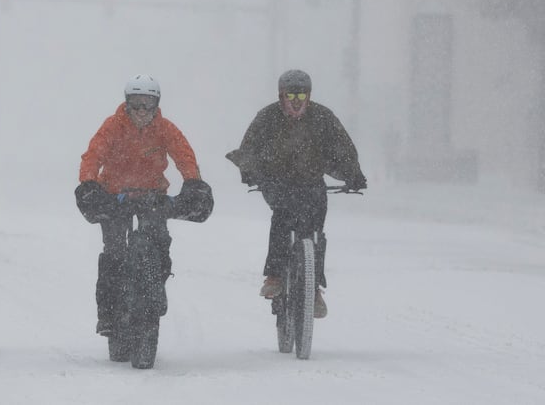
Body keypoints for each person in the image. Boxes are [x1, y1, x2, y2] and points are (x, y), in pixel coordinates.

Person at [75, 74, 213, 336]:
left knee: (160, 242)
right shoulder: (113, 126)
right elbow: (92, 156)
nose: (141, 111)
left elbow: (184, 154)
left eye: (147, 104)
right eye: (136, 104)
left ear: (156, 105)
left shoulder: (165, 128)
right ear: (127, 104)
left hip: (152, 196)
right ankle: (108, 313)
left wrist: (193, 181)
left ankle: (154, 288)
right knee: (113, 252)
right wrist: (89, 183)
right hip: (115, 196)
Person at [226, 69, 366, 318]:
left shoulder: (323, 117)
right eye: (291, 94)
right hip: (276, 182)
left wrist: (353, 174)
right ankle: (275, 275)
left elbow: (343, 148)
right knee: (282, 216)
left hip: (311, 182)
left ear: (309, 96)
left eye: (302, 94)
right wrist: (249, 171)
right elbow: (249, 148)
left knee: (315, 229)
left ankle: (314, 287)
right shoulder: (267, 117)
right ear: (281, 96)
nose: (297, 100)